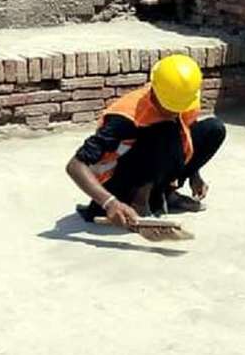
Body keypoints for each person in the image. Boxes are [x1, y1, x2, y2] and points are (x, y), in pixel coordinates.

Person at [65, 53, 227, 232]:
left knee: (214, 129)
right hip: (121, 180)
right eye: (169, 107)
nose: (175, 112)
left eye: (178, 108)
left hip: (157, 164)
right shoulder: (125, 117)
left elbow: (185, 135)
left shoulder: (184, 98)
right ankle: (138, 201)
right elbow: (75, 165)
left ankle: (165, 192)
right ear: (155, 92)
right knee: (165, 130)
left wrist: (194, 174)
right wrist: (110, 203)